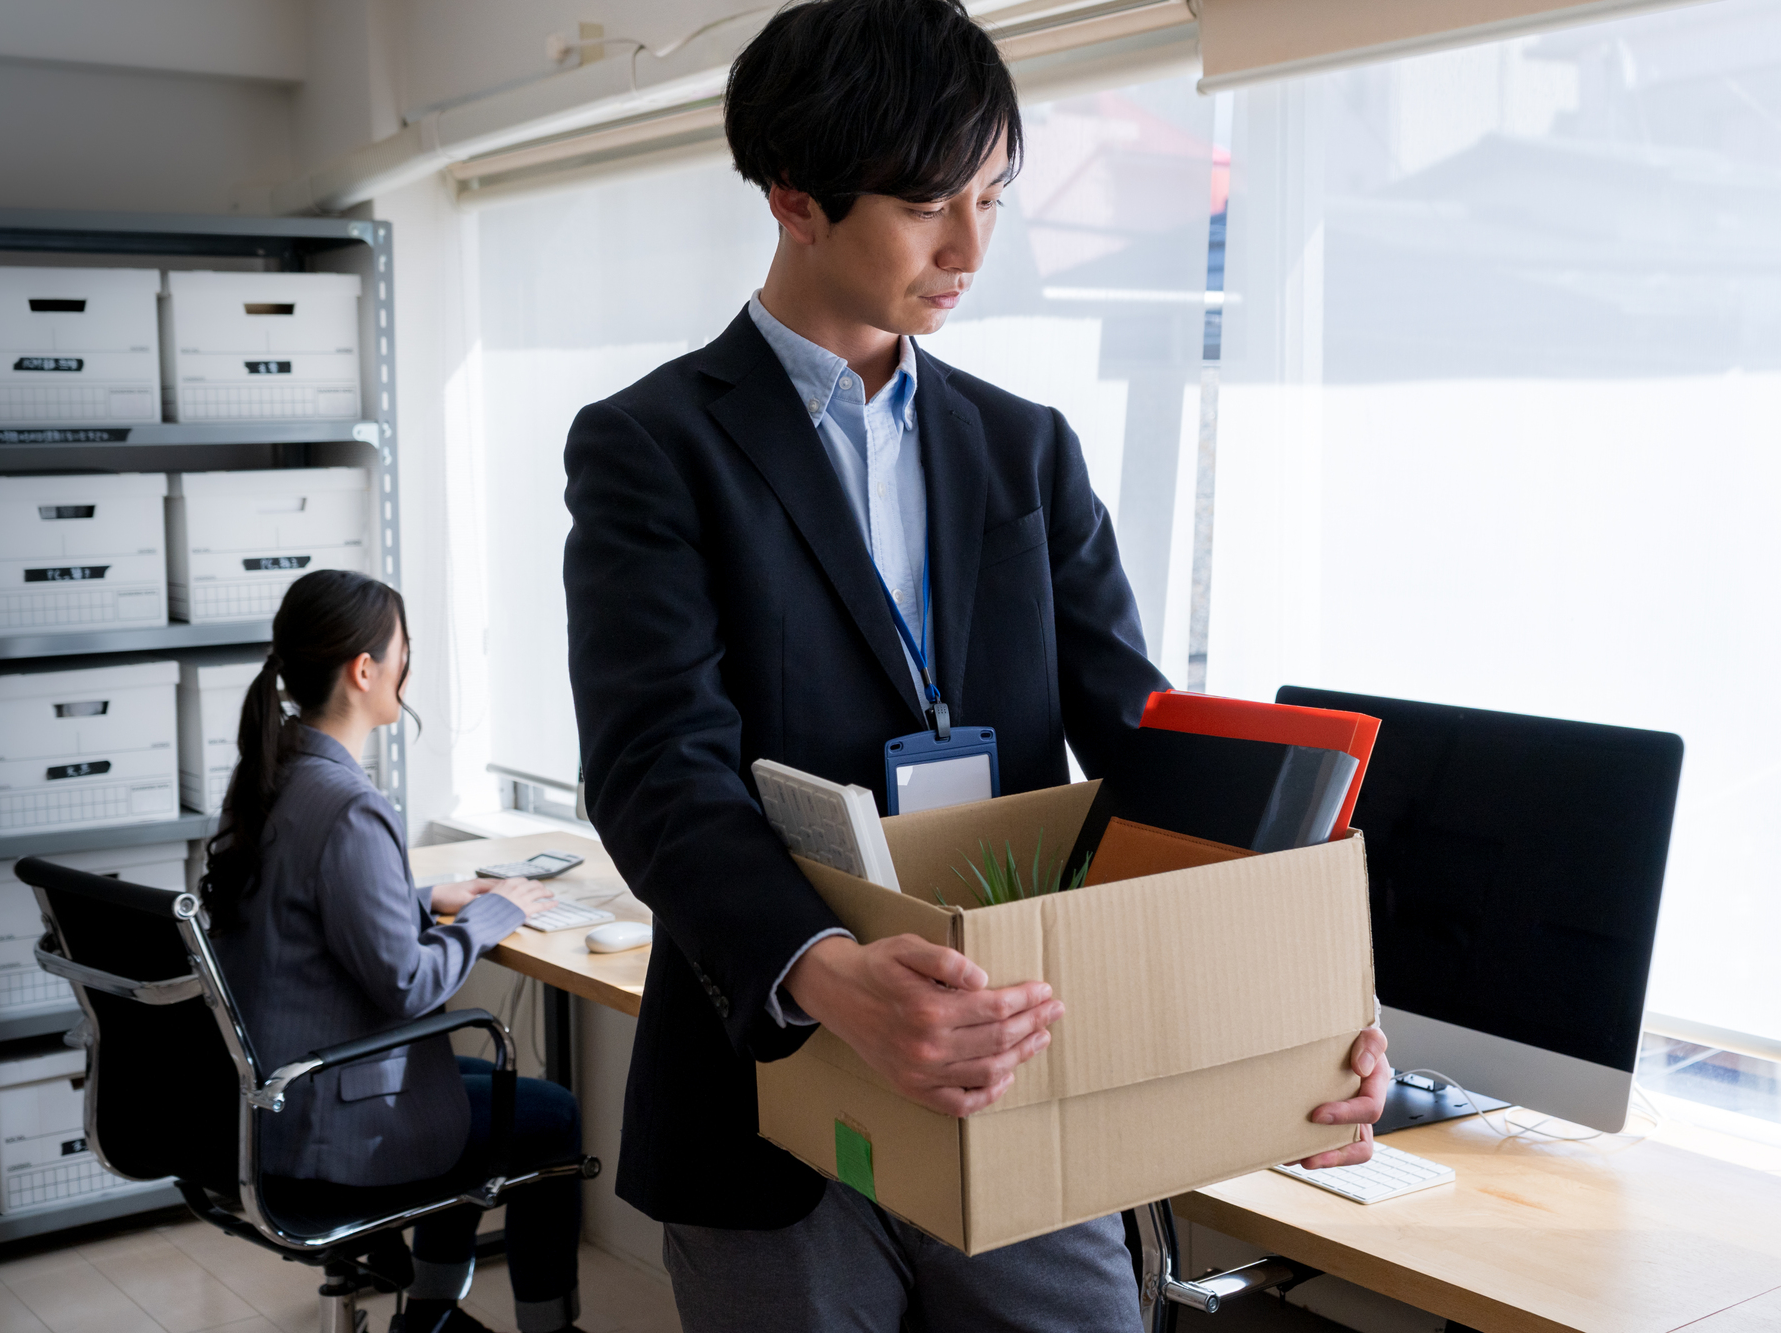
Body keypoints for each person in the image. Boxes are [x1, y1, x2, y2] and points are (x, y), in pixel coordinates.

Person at [561, 2, 1391, 1329]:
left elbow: (1147, 752)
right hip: (773, 1092)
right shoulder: (652, 447)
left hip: (1025, 1070)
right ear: (795, 201)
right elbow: (656, 764)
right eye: (928, 203)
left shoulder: (1027, 452)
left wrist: (1298, 1009)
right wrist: (828, 971)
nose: (969, 247)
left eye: (995, 198)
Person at [203, 569, 586, 1333]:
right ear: (365, 669)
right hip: (330, 1126)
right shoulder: (349, 806)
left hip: (272, 1103)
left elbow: (301, 917)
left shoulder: (275, 776)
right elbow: (410, 984)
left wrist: (424, 899)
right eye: (404, 650)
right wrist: (493, 914)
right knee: (552, 1114)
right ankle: (543, 1327)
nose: (410, 668)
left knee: (454, 1072)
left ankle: (432, 1309)